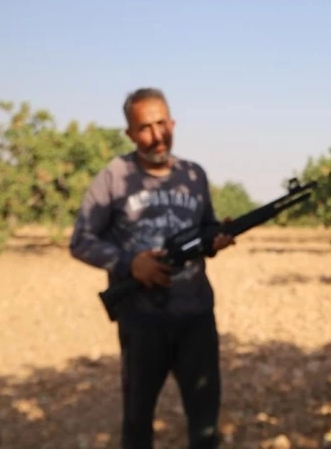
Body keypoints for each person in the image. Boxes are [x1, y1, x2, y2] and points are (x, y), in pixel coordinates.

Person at [69, 87, 235, 449]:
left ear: (173, 122)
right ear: (129, 133)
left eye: (162, 123)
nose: (157, 135)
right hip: (142, 323)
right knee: (137, 421)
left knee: (205, 423)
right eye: (145, 127)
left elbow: (205, 232)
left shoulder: (194, 175)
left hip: (196, 318)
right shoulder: (113, 177)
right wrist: (131, 264)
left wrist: (216, 240)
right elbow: (81, 240)